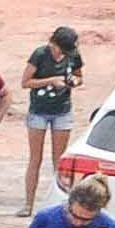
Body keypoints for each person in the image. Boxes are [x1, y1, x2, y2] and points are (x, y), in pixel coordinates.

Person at [18, 22, 87, 211]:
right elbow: (26, 82)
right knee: (35, 158)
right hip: (39, 110)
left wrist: (73, 81)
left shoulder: (73, 55)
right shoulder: (40, 54)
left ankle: (60, 204)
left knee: (59, 160)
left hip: (62, 110)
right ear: (53, 43)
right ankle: (28, 204)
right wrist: (51, 81)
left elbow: (79, 76)